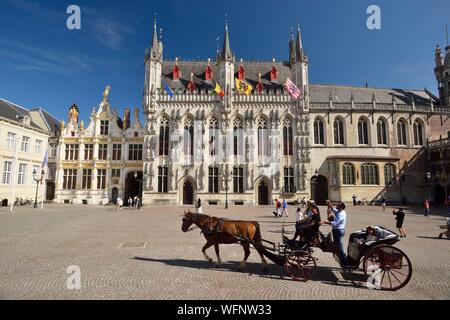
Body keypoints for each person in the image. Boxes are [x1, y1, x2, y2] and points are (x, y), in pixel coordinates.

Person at [323, 200, 348, 267]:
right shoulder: (340, 211)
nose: (336, 206)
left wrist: (324, 222)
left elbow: (335, 223)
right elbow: (334, 210)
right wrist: (329, 204)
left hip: (338, 231)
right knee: (339, 245)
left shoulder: (341, 214)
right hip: (338, 231)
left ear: (341, 207)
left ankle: (345, 262)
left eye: (338, 206)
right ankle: (343, 257)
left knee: (338, 247)